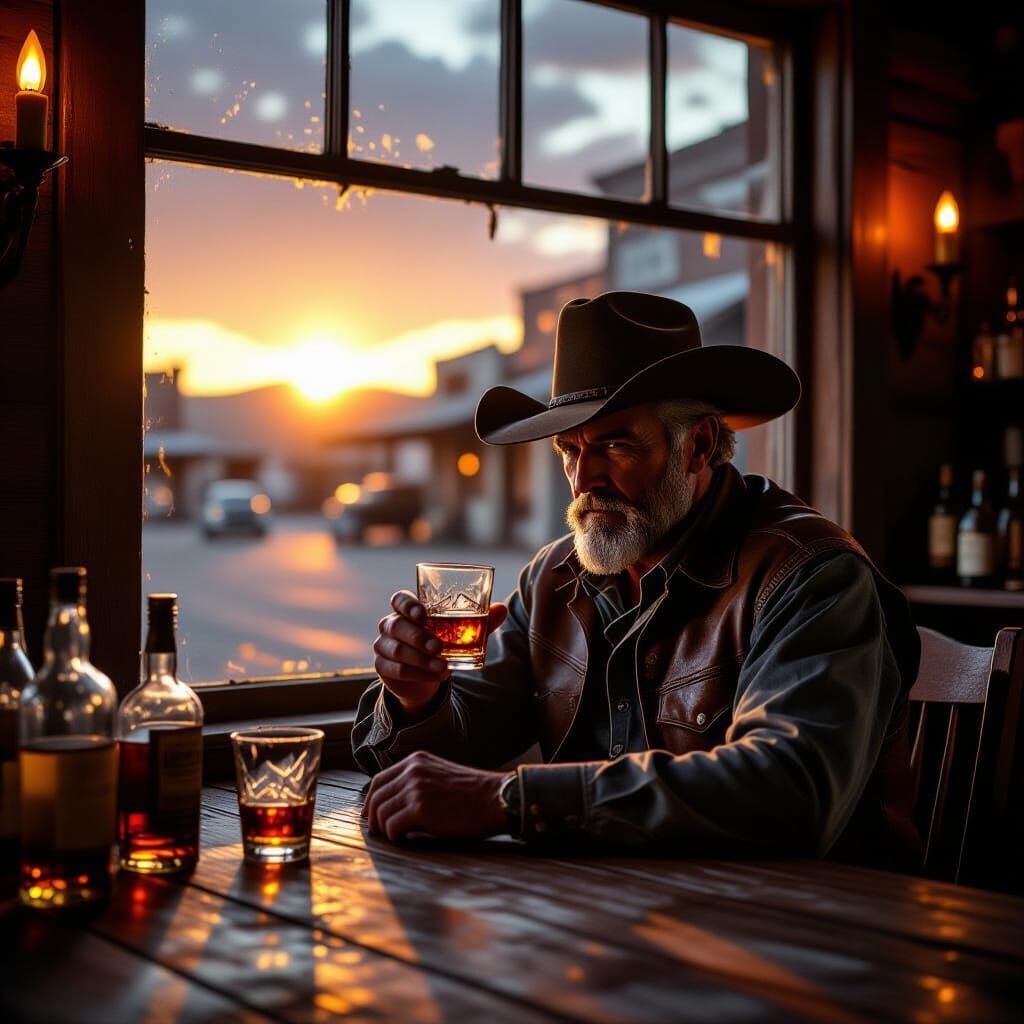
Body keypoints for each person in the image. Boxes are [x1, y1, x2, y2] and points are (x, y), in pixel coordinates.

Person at [353, 290, 921, 868]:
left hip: (817, 928)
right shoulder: (553, 577)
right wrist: (415, 697)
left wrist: (512, 800)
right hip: (621, 916)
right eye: (569, 450)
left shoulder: (810, 575)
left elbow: (791, 791)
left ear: (697, 445)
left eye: (614, 445)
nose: (582, 479)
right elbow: (454, 754)